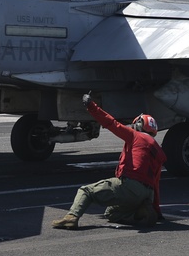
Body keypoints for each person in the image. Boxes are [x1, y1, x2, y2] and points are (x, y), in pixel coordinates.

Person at [51, 93, 166, 230]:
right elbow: (156, 182)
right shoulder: (159, 152)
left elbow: (111, 123)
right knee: (111, 213)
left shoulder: (135, 136)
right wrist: (157, 211)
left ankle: (71, 218)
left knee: (86, 191)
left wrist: (91, 106)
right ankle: (140, 213)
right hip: (148, 194)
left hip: (130, 186)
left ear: (139, 125)